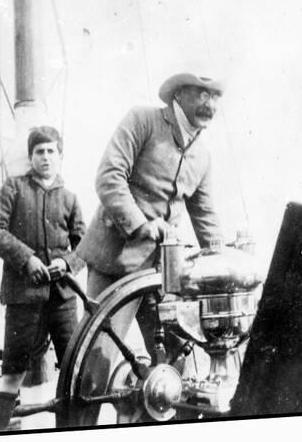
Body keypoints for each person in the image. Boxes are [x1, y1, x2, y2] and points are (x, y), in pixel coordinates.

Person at [75, 72, 224, 423]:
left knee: (177, 367)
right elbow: (109, 177)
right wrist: (142, 225)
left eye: (216, 96)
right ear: (179, 93)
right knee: (94, 370)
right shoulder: (142, 120)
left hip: (163, 274)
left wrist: (221, 257)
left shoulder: (202, 154)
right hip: (116, 265)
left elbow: (205, 216)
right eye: (203, 93)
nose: (211, 104)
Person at [0, 126, 86, 431]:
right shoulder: (14, 188)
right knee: (12, 372)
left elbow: (85, 247)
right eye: (39, 151)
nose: (45, 157)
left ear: (60, 156)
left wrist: (65, 263)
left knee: (74, 369)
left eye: (50, 151)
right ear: (31, 157)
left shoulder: (70, 198)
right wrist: (26, 258)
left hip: (63, 301)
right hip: (22, 298)